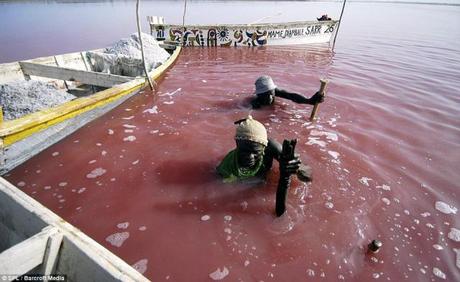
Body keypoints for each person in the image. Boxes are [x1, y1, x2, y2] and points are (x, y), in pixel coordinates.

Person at [217, 115, 312, 185]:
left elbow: (308, 176)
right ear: (237, 144)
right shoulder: (227, 165)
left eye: (255, 152)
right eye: (244, 150)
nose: (249, 157)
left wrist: (296, 167)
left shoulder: (270, 147)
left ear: (264, 147)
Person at [251, 75, 325, 109]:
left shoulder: (275, 91)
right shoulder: (255, 103)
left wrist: (309, 101)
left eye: (271, 93)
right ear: (259, 95)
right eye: (266, 95)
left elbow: (292, 96)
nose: (270, 97)